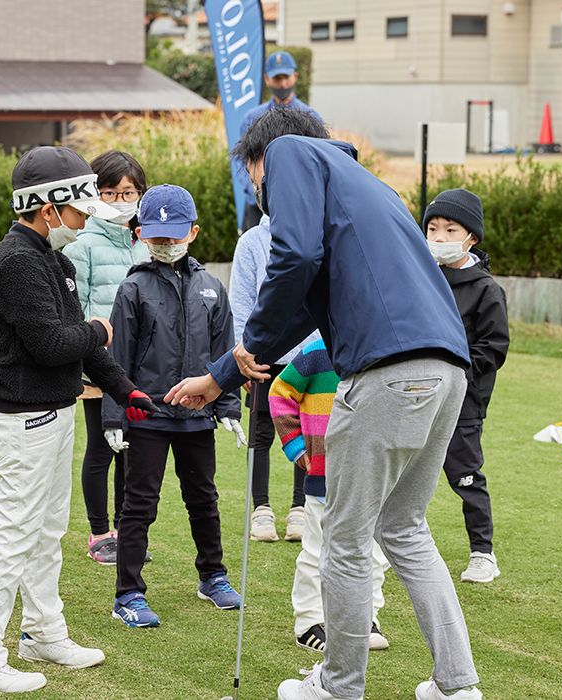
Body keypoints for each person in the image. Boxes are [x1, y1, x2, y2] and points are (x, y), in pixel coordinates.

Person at [165, 108, 482, 700]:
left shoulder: (291, 154)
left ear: (261, 159)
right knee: (404, 528)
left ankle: (338, 686)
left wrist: (242, 352)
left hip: (387, 375)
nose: (263, 198)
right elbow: (308, 301)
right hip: (446, 372)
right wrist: (224, 374)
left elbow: (294, 258)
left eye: (255, 185)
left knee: (344, 535)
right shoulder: (368, 187)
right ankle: (456, 685)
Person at [0, 147, 157, 694]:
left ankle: (42, 631)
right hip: (25, 418)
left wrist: (126, 390)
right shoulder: (17, 262)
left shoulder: (53, 260)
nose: (86, 219)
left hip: (55, 412)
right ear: (49, 207)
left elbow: (80, 352)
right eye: (81, 209)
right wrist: (100, 329)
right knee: (13, 533)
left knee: (45, 532)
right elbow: (51, 344)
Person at [106, 184, 245, 629]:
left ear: (194, 233)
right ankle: (128, 592)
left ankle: (213, 575)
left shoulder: (211, 288)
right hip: (146, 417)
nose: (166, 243)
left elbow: (227, 355)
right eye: (157, 236)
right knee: (139, 504)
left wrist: (229, 409)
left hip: (198, 417)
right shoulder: (133, 288)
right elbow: (117, 359)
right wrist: (115, 416)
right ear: (142, 234)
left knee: (203, 498)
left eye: (174, 235)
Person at [269, 338, 390, 653]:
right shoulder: (314, 353)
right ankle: (309, 622)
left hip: (372, 475)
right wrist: (296, 447)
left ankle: (366, 618)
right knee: (317, 551)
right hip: (323, 475)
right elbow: (280, 393)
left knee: (373, 553)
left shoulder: (385, 351)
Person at [63, 151, 150, 566]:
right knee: (101, 450)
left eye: (128, 192)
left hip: (134, 369)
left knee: (131, 453)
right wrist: (86, 360)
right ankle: (100, 533)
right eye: (110, 192)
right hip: (97, 368)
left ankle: (125, 530)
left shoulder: (143, 244)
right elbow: (74, 307)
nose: (120, 200)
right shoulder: (83, 244)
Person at [423, 189, 509, 584]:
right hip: (418, 395)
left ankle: (482, 553)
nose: (438, 237)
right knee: (407, 472)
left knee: (466, 476)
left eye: (449, 229)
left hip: (463, 403)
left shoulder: (486, 290)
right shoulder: (420, 276)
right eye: (432, 228)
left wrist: (457, 371)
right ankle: (398, 542)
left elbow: (494, 347)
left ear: (471, 236)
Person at [230, 212, 321, 542]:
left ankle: (301, 507)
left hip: (311, 355)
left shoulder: (315, 232)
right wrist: (241, 349)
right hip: (263, 355)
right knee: (261, 433)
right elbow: (241, 300)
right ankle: (262, 509)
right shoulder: (253, 241)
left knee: (310, 429)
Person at [238, 51, 321, 232]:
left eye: (287, 78)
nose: (283, 84)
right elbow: (241, 161)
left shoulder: (310, 117)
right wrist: (257, 195)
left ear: (295, 76)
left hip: (298, 205)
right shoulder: (252, 118)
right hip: (257, 206)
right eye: (277, 79)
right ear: (267, 79)